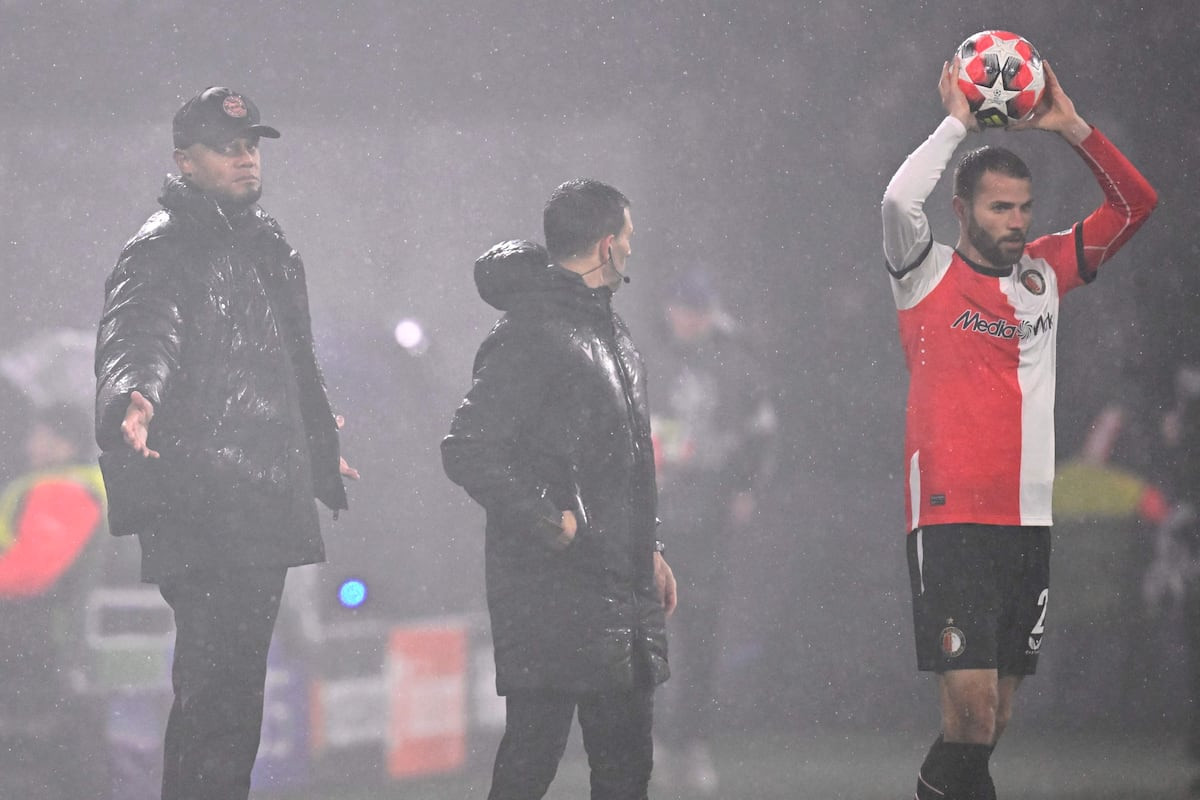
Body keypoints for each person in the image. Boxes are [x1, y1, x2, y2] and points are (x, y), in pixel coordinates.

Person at [881, 58, 1157, 799]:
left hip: (1027, 518)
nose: (1017, 222)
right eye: (1000, 207)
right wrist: (957, 122)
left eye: (1024, 207)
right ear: (963, 210)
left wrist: (1073, 129)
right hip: (950, 516)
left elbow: (1137, 205)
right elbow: (898, 197)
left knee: (993, 719)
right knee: (970, 714)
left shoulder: (1046, 272)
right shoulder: (924, 272)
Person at [94, 86, 357, 800]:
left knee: (231, 698)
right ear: (185, 161)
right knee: (215, 698)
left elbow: (287, 360)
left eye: (251, 144)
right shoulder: (164, 246)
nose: (246, 158)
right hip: (206, 506)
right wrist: (133, 395)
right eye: (227, 146)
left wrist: (313, 440)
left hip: (255, 506)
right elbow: (138, 331)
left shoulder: (264, 242)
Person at [441, 178, 676, 800]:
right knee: (531, 764)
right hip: (551, 594)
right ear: (607, 245)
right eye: (628, 236)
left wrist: (646, 547)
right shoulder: (530, 332)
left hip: (618, 591)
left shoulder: (611, 333)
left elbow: (623, 464)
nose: (632, 247)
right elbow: (467, 448)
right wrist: (551, 520)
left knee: (626, 772)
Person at [648, 271, 776, 795]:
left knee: (702, 632)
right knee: (648, 632)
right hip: (655, 520)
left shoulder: (737, 367)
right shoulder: (648, 363)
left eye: (699, 310)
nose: (690, 320)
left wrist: (744, 488)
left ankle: (689, 742)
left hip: (708, 521)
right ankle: (651, 739)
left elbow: (761, 433)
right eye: (683, 309)